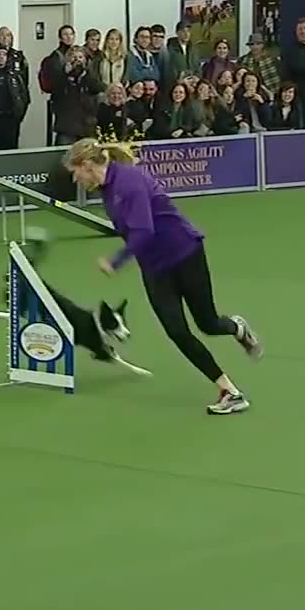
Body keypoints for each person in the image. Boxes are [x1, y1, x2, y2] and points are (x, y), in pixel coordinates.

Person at [64, 139, 264, 415]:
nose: (75, 178)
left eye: (75, 171)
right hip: (155, 268)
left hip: (185, 253)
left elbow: (144, 231)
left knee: (207, 323)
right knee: (177, 332)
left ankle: (236, 327)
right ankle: (230, 391)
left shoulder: (128, 182)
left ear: (86, 165)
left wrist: (116, 260)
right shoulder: (107, 189)